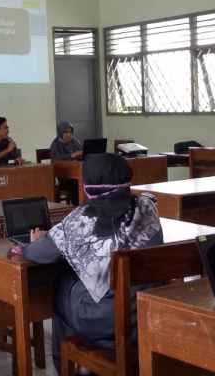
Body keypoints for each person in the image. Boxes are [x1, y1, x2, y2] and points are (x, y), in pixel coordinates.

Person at [16, 153, 163, 371]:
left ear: (90, 186)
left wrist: (33, 242)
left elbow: (39, 254)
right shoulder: (148, 207)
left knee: (61, 283)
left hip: (106, 320)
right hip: (145, 312)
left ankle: (65, 364)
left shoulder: (82, 218)